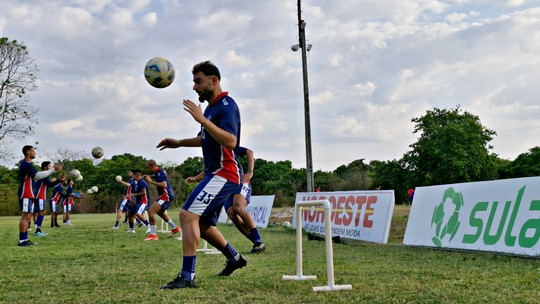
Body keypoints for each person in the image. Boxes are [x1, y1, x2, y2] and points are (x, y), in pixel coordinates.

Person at [158, 61, 245, 289]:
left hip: (224, 173)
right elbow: (205, 138)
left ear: (214, 80)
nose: (195, 87)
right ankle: (235, 258)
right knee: (203, 225)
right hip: (215, 174)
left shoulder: (226, 105)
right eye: (194, 82)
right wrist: (179, 143)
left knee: (187, 216)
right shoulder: (211, 108)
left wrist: (202, 120)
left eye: (198, 81)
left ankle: (188, 276)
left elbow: (231, 141)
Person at [215, 146, 265, 253]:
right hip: (226, 187)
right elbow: (208, 172)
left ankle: (258, 240)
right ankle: (256, 242)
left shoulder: (227, 144)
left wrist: (250, 172)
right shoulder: (210, 155)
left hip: (239, 181)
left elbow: (249, 152)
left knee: (238, 207)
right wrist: (195, 178)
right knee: (231, 213)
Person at [17, 145, 62, 246]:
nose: (35, 153)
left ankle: (25, 239)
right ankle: (22, 240)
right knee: (25, 216)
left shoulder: (28, 164)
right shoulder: (26, 164)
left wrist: (53, 171)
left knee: (28, 216)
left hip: (29, 192)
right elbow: (38, 175)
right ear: (28, 152)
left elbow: (39, 175)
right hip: (25, 192)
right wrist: (52, 170)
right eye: (33, 151)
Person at [143, 159, 181, 240]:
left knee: (151, 212)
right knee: (160, 213)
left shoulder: (159, 173)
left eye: (148, 168)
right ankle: (175, 228)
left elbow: (163, 185)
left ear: (152, 166)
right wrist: (149, 176)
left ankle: (153, 235)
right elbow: (158, 176)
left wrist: (151, 181)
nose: (147, 169)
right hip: (167, 195)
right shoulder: (159, 170)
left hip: (165, 195)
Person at [33, 161, 65, 236]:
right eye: (49, 166)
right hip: (39, 196)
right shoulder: (44, 175)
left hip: (41, 196)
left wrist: (57, 181)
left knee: (42, 212)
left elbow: (49, 184)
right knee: (41, 212)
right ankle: (38, 231)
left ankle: (38, 229)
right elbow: (50, 184)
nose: (51, 167)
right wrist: (58, 180)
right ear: (45, 167)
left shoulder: (44, 175)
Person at [125, 170, 151, 234]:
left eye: (133, 175)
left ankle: (149, 226)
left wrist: (133, 195)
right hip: (139, 202)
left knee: (137, 213)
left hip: (144, 202)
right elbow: (138, 194)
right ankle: (131, 229)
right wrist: (134, 202)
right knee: (130, 214)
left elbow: (144, 192)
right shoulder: (137, 182)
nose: (132, 176)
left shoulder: (141, 182)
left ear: (136, 175)